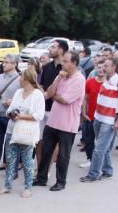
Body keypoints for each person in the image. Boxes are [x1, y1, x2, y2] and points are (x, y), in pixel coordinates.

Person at [35, 51, 84, 191]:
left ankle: (61, 182)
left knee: (63, 155)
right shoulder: (62, 75)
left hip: (67, 124)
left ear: (74, 63)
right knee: (46, 151)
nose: (63, 64)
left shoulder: (79, 79)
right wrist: (57, 80)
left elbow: (64, 100)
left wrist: (54, 95)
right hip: (53, 120)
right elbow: (49, 94)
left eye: (66, 61)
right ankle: (41, 178)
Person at [0, 67, 45, 198]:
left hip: (27, 132)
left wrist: (22, 116)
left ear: (27, 79)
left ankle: (28, 187)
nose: (19, 79)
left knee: (27, 160)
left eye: (22, 77)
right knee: (10, 159)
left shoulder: (37, 95)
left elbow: (38, 115)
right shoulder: (18, 92)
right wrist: (10, 114)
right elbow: (11, 108)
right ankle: (7, 185)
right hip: (12, 130)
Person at [81, 57, 118, 183]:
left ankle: (93, 174)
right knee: (104, 148)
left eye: (106, 66)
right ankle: (107, 171)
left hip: (109, 120)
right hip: (98, 117)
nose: (103, 68)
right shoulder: (105, 81)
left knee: (99, 149)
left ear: (114, 67)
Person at [0, 56, 20, 177]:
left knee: (11, 144)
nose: (3, 65)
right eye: (3, 62)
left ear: (14, 64)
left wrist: (13, 103)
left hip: (10, 116)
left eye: (7, 62)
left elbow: (24, 97)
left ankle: (13, 170)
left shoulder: (19, 79)